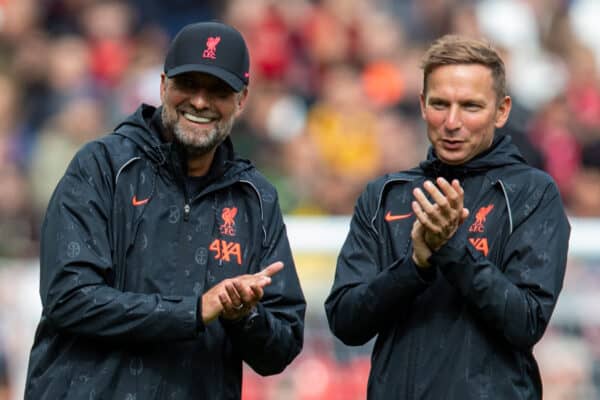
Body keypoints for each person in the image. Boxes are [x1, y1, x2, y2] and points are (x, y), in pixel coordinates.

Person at [24, 21, 306, 399]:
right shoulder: (103, 166)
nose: (201, 102)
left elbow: (282, 347)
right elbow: (68, 297)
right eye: (188, 84)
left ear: (242, 99)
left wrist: (245, 317)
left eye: (219, 90)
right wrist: (193, 311)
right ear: (162, 85)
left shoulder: (255, 199)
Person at [325, 34, 570, 399]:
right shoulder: (385, 196)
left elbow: (527, 322)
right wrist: (415, 266)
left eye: (470, 106)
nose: (452, 122)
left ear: (502, 110)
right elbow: (346, 321)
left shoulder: (533, 193)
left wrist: (453, 249)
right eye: (440, 104)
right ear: (423, 105)